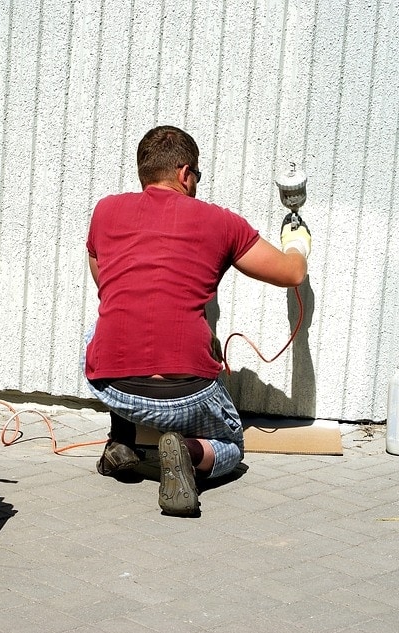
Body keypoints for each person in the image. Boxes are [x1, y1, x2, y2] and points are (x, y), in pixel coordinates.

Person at [83, 125, 311, 517]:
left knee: (102, 327)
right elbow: (291, 273)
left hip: (114, 385)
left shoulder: (105, 211)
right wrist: (297, 241)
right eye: (197, 178)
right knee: (232, 447)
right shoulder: (220, 222)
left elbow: (104, 280)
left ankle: (120, 442)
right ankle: (186, 452)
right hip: (186, 394)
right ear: (185, 174)